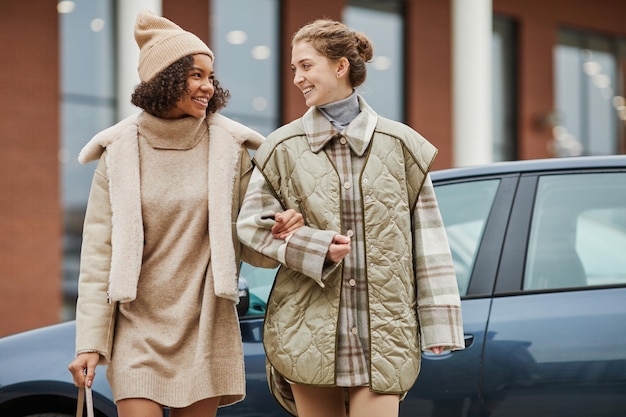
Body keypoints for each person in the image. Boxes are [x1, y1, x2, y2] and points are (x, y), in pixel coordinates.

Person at [67, 10, 302, 417]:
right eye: (195, 76)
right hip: (136, 329)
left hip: (205, 325)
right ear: (165, 79)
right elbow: (97, 256)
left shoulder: (230, 147)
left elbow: (256, 245)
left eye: (210, 77)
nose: (207, 87)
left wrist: (284, 227)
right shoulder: (120, 151)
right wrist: (89, 343)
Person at [236, 19, 465, 417]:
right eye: (294, 69)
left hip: (385, 331)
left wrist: (439, 325)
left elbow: (429, 241)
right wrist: (313, 245)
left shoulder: (401, 145)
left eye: (306, 66)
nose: (297, 78)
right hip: (306, 327)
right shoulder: (281, 148)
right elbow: (251, 227)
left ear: (340, 66)